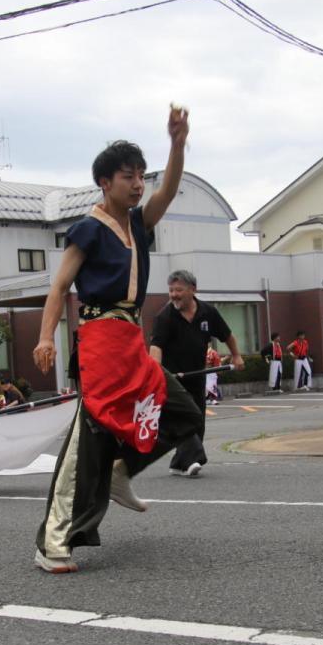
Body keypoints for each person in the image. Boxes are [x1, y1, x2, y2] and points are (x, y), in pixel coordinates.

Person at [31, 110, 203, 574]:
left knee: (182, 411)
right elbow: (59, 286)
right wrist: (46, 336)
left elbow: (167, 191)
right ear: (104, 182)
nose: (139, 184)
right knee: (87, 440)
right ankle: (52, 542)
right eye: (128, 177)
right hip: (100, 340)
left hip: (131, 338)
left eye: (141, 176)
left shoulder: (138, 225)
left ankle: (121, 471)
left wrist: (178, 144)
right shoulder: (88, 228)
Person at [149, 269, 243, 477]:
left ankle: (178, 463)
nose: (174, 294)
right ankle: (191, 460)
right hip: (173, 379)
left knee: (198, 419)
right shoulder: (165, 316)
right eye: (171, 290)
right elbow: (156, 348)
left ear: (193, 290)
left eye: (179, 290)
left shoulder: (207, 312)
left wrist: (236, 356)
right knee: (186, 417)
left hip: (197, 375)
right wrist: (156, 374)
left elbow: (227, 335)